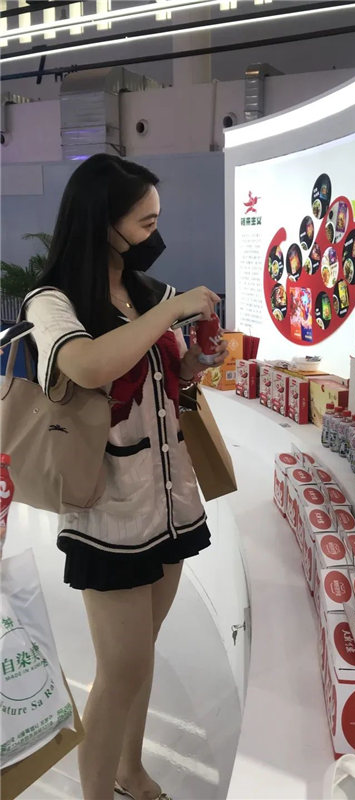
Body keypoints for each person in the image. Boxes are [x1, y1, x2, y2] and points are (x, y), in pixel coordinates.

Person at [23, 153, 228, 800]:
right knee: (121, 668)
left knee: (140, 659)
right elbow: (88, 366)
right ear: (102, 223)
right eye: (145, 223)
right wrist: (169, 314)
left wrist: (192, 363)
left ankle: (129, 770)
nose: (154, 235)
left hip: (168, 500)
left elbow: (162, 380)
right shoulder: (52, 301)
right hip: (107, 509)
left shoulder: (147, 294)